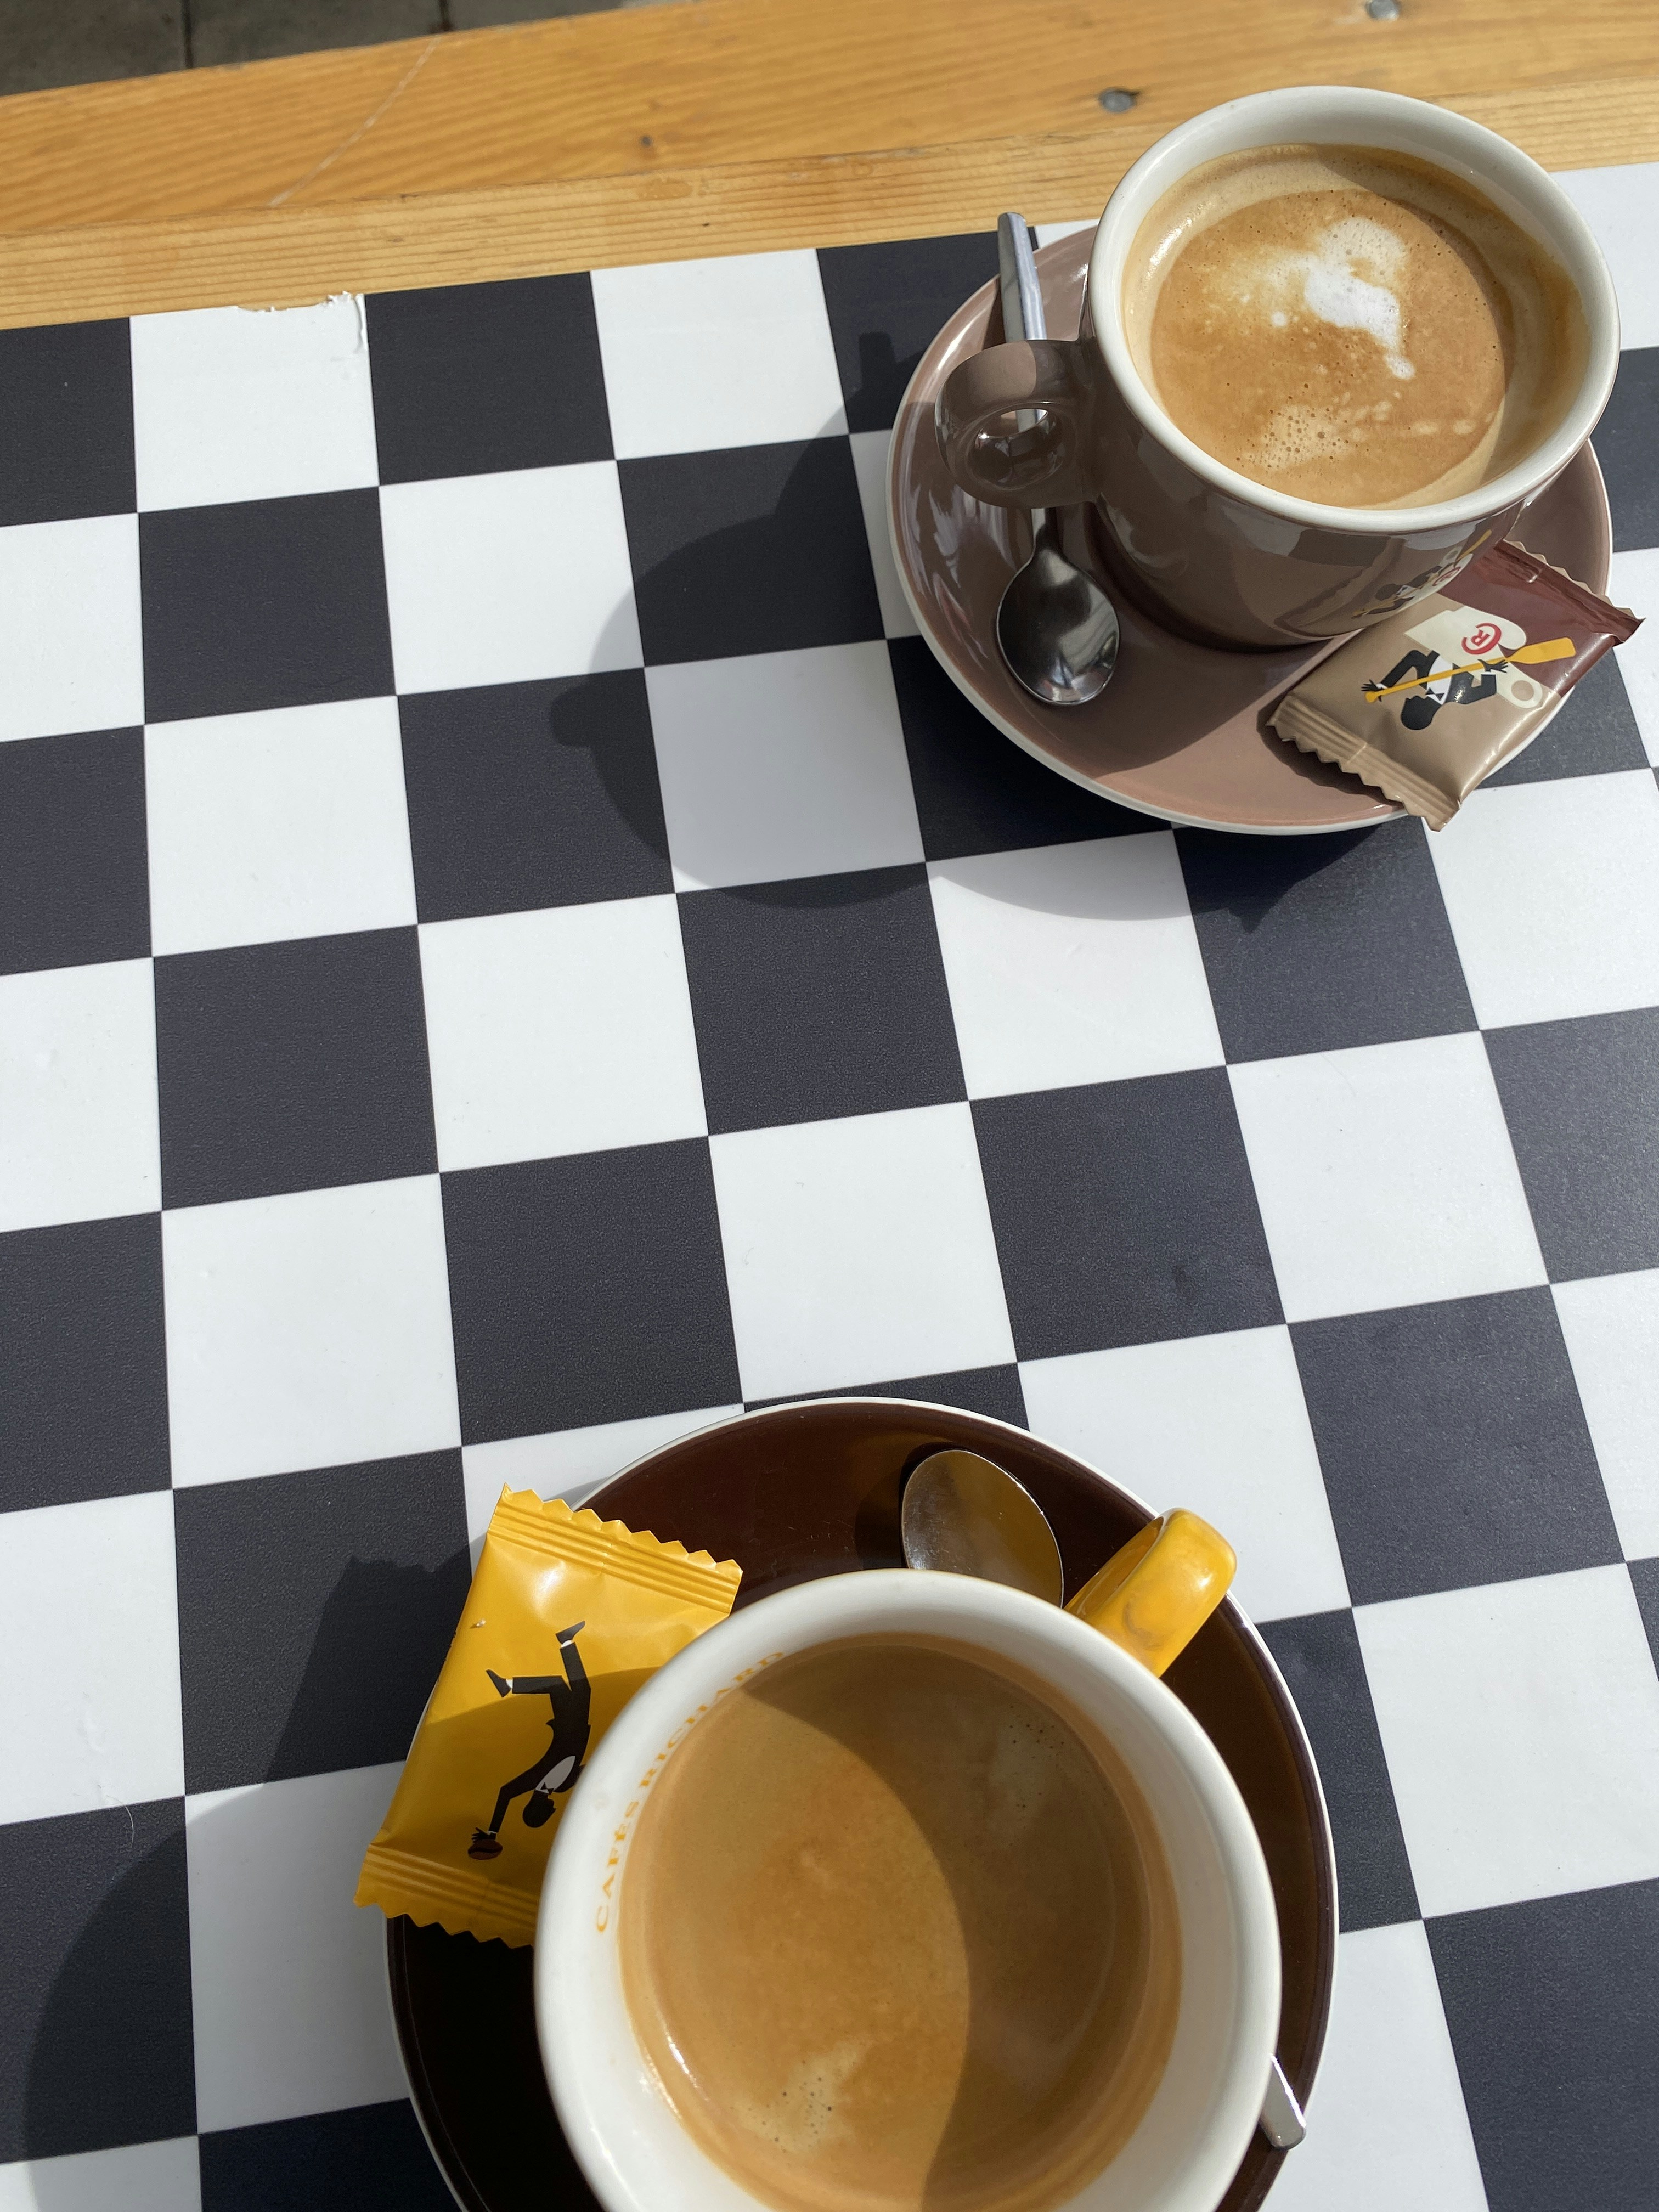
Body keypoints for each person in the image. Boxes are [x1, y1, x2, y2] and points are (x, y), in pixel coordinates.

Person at [467, 1622, 590, 1860]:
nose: (552, 1808)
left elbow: (505, 1794)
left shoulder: (534, 1780)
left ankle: (508, 1685)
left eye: (546, 1812)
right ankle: (565, 1641)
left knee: (560, 1686)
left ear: (538, 1809)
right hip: (579, 1723)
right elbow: (593, 1769)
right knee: (574, 1688)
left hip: (567, 1724)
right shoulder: (565, 1785)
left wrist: (492, 1833)